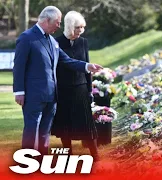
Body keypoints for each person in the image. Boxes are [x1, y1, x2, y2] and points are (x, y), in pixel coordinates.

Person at [12, 6, 102, 157]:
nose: (59, 26)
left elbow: (67, 61)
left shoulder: (53, 41)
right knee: (32, 129)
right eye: (57, 22)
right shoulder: (27, 38)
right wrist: (19, 91)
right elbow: (19, 66)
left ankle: (41, 161)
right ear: (47, 20)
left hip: (52, 96)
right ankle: (27, 161)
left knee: (44, 133)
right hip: (33, 96)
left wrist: (87, 66)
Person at [50, 11, 99, 160]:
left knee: (87, 124)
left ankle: (95, 156)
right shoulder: (55, 42)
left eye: (82, 27)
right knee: (65, 125)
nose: (81, 31)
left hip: (81, 88)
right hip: (64, 89)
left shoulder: (83, 42)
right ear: (70, 26)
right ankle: (68, 155)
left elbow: (87, 68)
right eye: (78, 27)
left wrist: (89, 90)